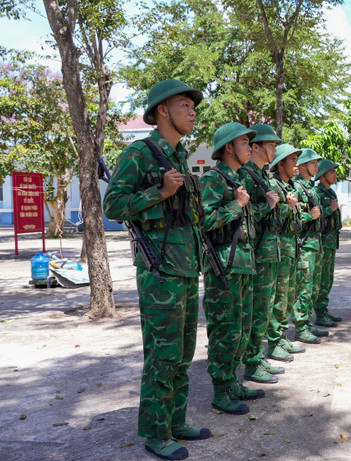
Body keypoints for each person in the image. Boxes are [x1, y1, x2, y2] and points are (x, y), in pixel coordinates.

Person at [103, 79, 209, 461]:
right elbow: (112, 206)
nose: (193, 111)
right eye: (185, 104)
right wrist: (159, 193)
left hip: (184, 268)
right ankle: (154, 431)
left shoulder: (180, 157)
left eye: (193, 106)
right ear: (163, 110)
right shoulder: (139, 154)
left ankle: (175, 423)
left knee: (183, 354)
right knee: (162, 356)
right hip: (159, 270)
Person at [199, 122, 264, 414]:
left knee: (242, 328)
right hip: (224, 265)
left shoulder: (238, 179)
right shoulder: (213, 180)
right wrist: (236, 206)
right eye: (244, 143)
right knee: (225, 330)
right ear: (228, 147)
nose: (250, 148)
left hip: (243, 264)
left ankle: (233, 383)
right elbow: (203, 222)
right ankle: (220, 390)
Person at [240, 124, 286, 383]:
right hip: (255, 255)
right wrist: (266, 205)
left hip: (269, 253)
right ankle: (252, 362)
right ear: (255, 147)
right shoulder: (246, 176)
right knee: (256, 312)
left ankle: (258, 357)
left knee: (264, 310)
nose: (274, 149)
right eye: (271, 145)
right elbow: (246, 219)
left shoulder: (262, 176)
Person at [265, 144, 306, 362]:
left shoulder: (289, 186)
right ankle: (274, 341)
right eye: (292, 160)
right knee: (278, 298)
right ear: (280, 164)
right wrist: (287, 207)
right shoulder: (273, 185)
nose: (296, 164)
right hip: (278, 248)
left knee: (288, 296)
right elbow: (271, 221)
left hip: (290, 247)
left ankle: (281, 336)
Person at [291, 148, 329, 344]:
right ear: (303, 165)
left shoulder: (311, 188)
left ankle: (306, 323)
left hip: (316, 243)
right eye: (313, 162)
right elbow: (292, 219)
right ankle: (300, 326)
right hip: (304, 245)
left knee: (313, 287)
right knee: (304, 287)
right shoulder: (296, 188)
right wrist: (309, 216)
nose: (316, 166)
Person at [312, 159, 344, 328]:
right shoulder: (318, 193)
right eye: (332, 172)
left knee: (328, 279)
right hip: (323, 242)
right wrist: (330, 209)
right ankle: (319, 313)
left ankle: (323, 310)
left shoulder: (332, 193)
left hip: (331, 242)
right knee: (321, 279)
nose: (335, 175)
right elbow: (315, 216)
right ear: (323, 175)